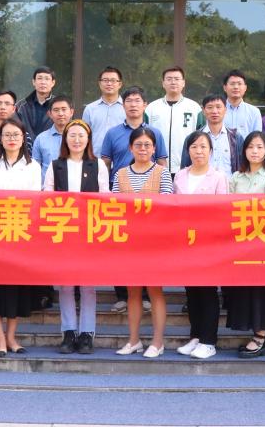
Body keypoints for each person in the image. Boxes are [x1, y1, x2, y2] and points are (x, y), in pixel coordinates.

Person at [0, 117, 41, 356]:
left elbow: (34, 200)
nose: (12, 139)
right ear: (0, 139)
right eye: (7, 135)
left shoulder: (33, 166)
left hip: (20, 233)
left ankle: (11, 337)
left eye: (16, 135)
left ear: (23, 138)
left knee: (16, 287)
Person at [43, 119, 110, 355]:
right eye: (72, 135)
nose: (77, 140)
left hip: (89, 232)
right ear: (65, 139)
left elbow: (105, 196)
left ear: (88, 139)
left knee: (88, 285)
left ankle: (87, 333)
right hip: (63, 231)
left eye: (81, 135)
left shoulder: (97, 164)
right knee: (66, 284)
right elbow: (47, 196)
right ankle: (68, 331)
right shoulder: (56, 165)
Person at [100, 87, 167, 312]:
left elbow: (162, 163)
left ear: (145, 105)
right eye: (128, 101)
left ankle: (146, 295)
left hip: (150, 201)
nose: (133, 105)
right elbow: (105, 164)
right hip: (122, 196)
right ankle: (122, 295)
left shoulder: (155, 133)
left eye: (137, 100)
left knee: (148, 251)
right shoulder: (112, 133)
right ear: (123, 105)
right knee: (122, 251)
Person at [225, 131, 265, 358]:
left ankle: (261, 336)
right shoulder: (236, 177)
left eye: (260, 147)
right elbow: (228, 208)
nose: (254, 151)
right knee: (245, 290)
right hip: (240, 243)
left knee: (262, 290)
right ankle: (254, 333)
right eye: (250, 147)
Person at [113, 126, 173, 358]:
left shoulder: (162, 173)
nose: (143, 149)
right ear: (130, 148)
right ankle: (133, 340)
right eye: (138, 145)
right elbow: (115, 207)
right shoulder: (120, 174)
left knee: (155, 291)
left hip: (154, 242)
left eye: (147, 145)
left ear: (154, 148)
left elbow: (167, 206)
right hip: (128, 242)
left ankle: (158, 342)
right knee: (132, 292)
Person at [173, 131, 228, 360]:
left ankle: (208, 341)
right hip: (185, 242)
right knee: (192, 291)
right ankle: (195, 336)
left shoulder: (218, 177)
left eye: (203, 147)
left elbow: (223, 210)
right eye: (194, 147)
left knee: (207, 292)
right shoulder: (180, 176)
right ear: (188, 151)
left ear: (211, 151)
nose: (198, 151)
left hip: (208, 242)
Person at [146, 66, 201, 167]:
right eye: (169, 79)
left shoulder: (194, 108)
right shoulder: (151, 108)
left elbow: (202, 137)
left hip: (187, 166)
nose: (173, 82)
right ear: (163, 83)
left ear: (183, 83)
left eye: (177, 79)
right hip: (156, 167)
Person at [179, 94, 243, 176]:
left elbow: (243, 167)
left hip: (229, 183)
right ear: (203, 111)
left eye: (218, 107)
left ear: (225, 110)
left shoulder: (236, 137)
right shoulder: (192, 139)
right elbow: (184, 169)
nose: (214, 111)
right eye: (210, 107)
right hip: (200, 183)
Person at [82, 66, 125, 156]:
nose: (109, 83)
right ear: (100, 83)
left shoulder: (127, 108)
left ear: (120, 84)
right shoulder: (90, 109)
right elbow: (84, 136)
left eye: (113, 80)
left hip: (121, 159)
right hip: (95, 159)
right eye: (105, 80)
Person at [31, 95, 74, 183]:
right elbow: (35, 168)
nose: (60, 113)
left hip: (73, 188)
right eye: (56, 110)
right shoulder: (41, 139)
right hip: (48, 188)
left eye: (64, 109)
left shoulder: (79, 138)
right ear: (49, 114)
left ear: (71, 112)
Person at [16, 66, 57, 137]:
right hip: (26, 143)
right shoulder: (21, 106)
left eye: (47, 79)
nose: (43, 82)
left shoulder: (58, 105)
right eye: (39, 78)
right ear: (33, 82)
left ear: (53, 83)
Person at [222, 69, 262, 136]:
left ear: (245, 88)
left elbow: (257, 138)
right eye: (232, 84)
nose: (236, 87)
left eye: (239, 84)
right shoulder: (217, 111)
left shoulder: (254, 112)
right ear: (225, 87)